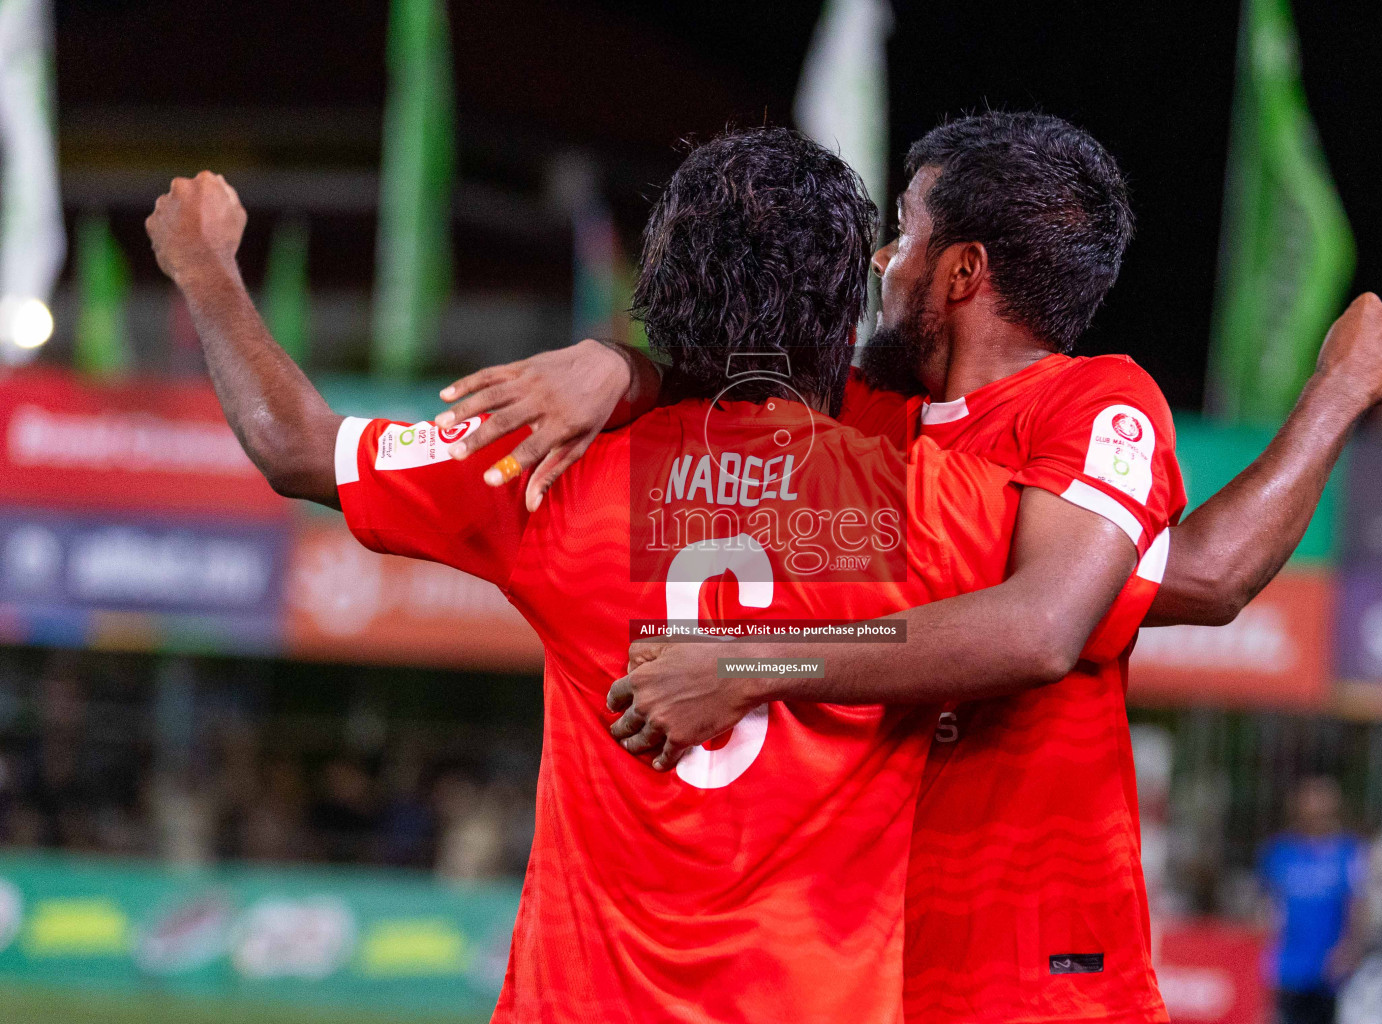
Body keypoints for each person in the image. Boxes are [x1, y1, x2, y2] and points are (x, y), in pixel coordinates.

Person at [434, 112, 1382, 1023]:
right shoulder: (860, 413)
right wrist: (618, 364)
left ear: (962, 272)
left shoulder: (1091, 407)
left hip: (1035, 967)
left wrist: (1335, 392)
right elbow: (723, 380)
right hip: (868, 961)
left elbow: (1105, 608)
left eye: (903, 233)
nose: (879, 259)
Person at [147, 130, 1039, 1023]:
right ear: (839, 314)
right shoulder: (925, 496)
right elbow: (1084, 597)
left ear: (662, 294)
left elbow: (296, 445)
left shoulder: (552, 465)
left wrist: (206, 267)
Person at [1260, 777, 1368, 1024]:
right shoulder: (1279, 853)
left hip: (1329, 968)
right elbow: (1266, 906)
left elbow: (1357, 904)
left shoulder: (1349, 853)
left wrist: (1350, 948)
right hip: (1286, 966)